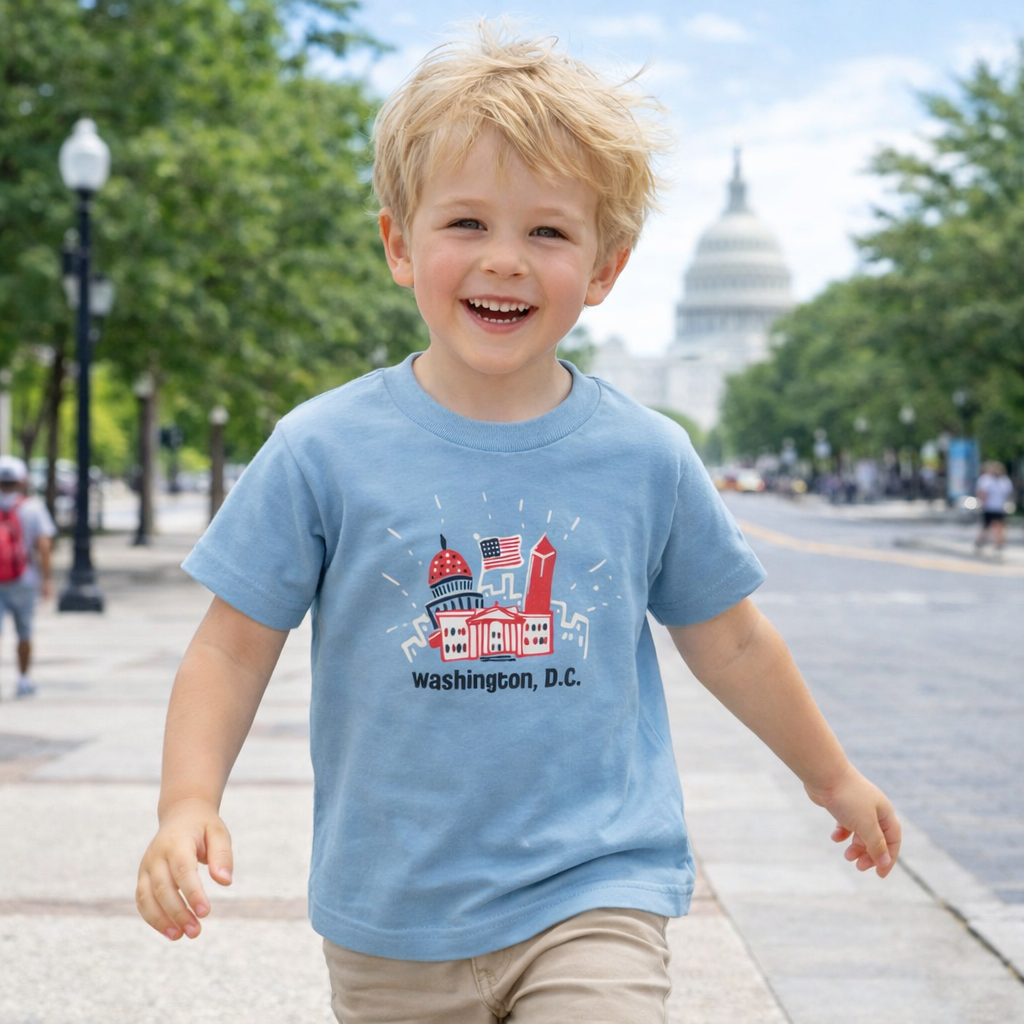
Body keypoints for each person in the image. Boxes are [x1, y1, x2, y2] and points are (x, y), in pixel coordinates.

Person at [136, 23, 902, 1022]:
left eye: (547, 232)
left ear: (606, 268)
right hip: (392, 911)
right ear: (398, 245)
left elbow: (734, 642)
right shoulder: (320, 448)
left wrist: (831, 777)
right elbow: (232, 648)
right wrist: (187, 802)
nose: (504, 260)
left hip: (595, 885)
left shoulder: (647, 454)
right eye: (467, 223)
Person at [0, 455, 56, 699]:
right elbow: (43, 546)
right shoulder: (33, 508)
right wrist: (47, 578)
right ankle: (23, 679)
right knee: (24, 632)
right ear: (22, 480)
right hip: (24, 580)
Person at [974, 460, 1014, 556]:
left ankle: (998, 545)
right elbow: (982, 493)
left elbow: (1009, 494)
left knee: (999, 527)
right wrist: (982, 505)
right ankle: (980, 542)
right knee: (985, 527)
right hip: (988, 508)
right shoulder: (986, 480)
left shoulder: (1004, 481)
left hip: (999, 508)